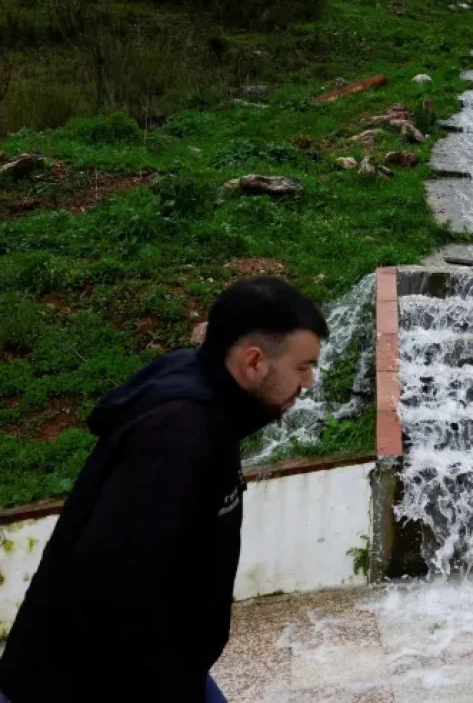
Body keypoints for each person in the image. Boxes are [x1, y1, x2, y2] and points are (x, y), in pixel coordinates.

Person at [0, 277, 329, 703]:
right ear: (253, 362)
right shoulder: (178, 436)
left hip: (161, 665)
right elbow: (115, 589)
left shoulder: (203, 389)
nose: (310, 383)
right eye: (303, 367)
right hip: (91, 683)